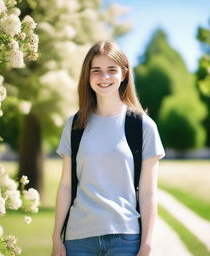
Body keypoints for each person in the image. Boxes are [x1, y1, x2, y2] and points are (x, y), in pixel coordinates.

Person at [51, 40, 165, 256]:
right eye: (96, 71)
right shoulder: (74, 125)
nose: (104, 77)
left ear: (123, 74)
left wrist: (146, 245)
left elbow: (149, 193)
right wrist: (56, 238)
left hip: (125, 239)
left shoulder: (143, 126)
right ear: (88, 76)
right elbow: (65, 186)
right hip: (78, 239)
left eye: (111, 70)